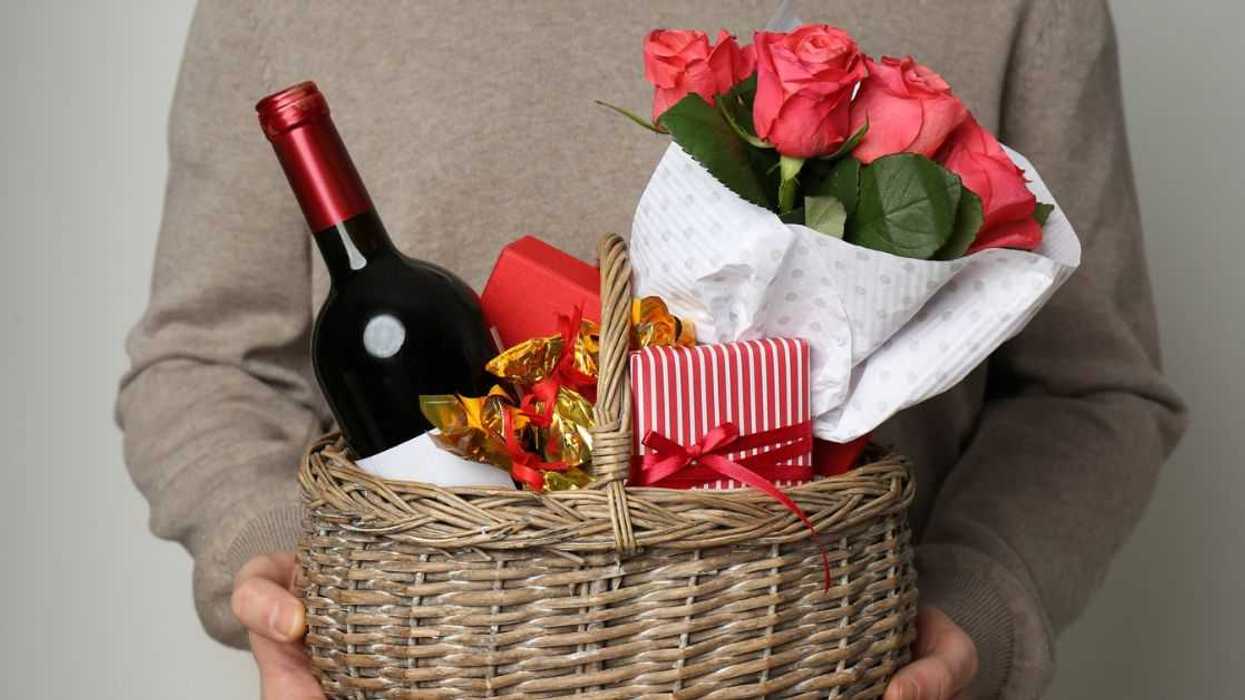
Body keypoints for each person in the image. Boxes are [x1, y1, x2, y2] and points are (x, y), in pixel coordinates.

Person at [117, 1, 1185, 698]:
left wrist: (975, 602)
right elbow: (203, 359)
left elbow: (1093, 388)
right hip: (425, 664)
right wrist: (288, 577)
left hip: (808, 654)